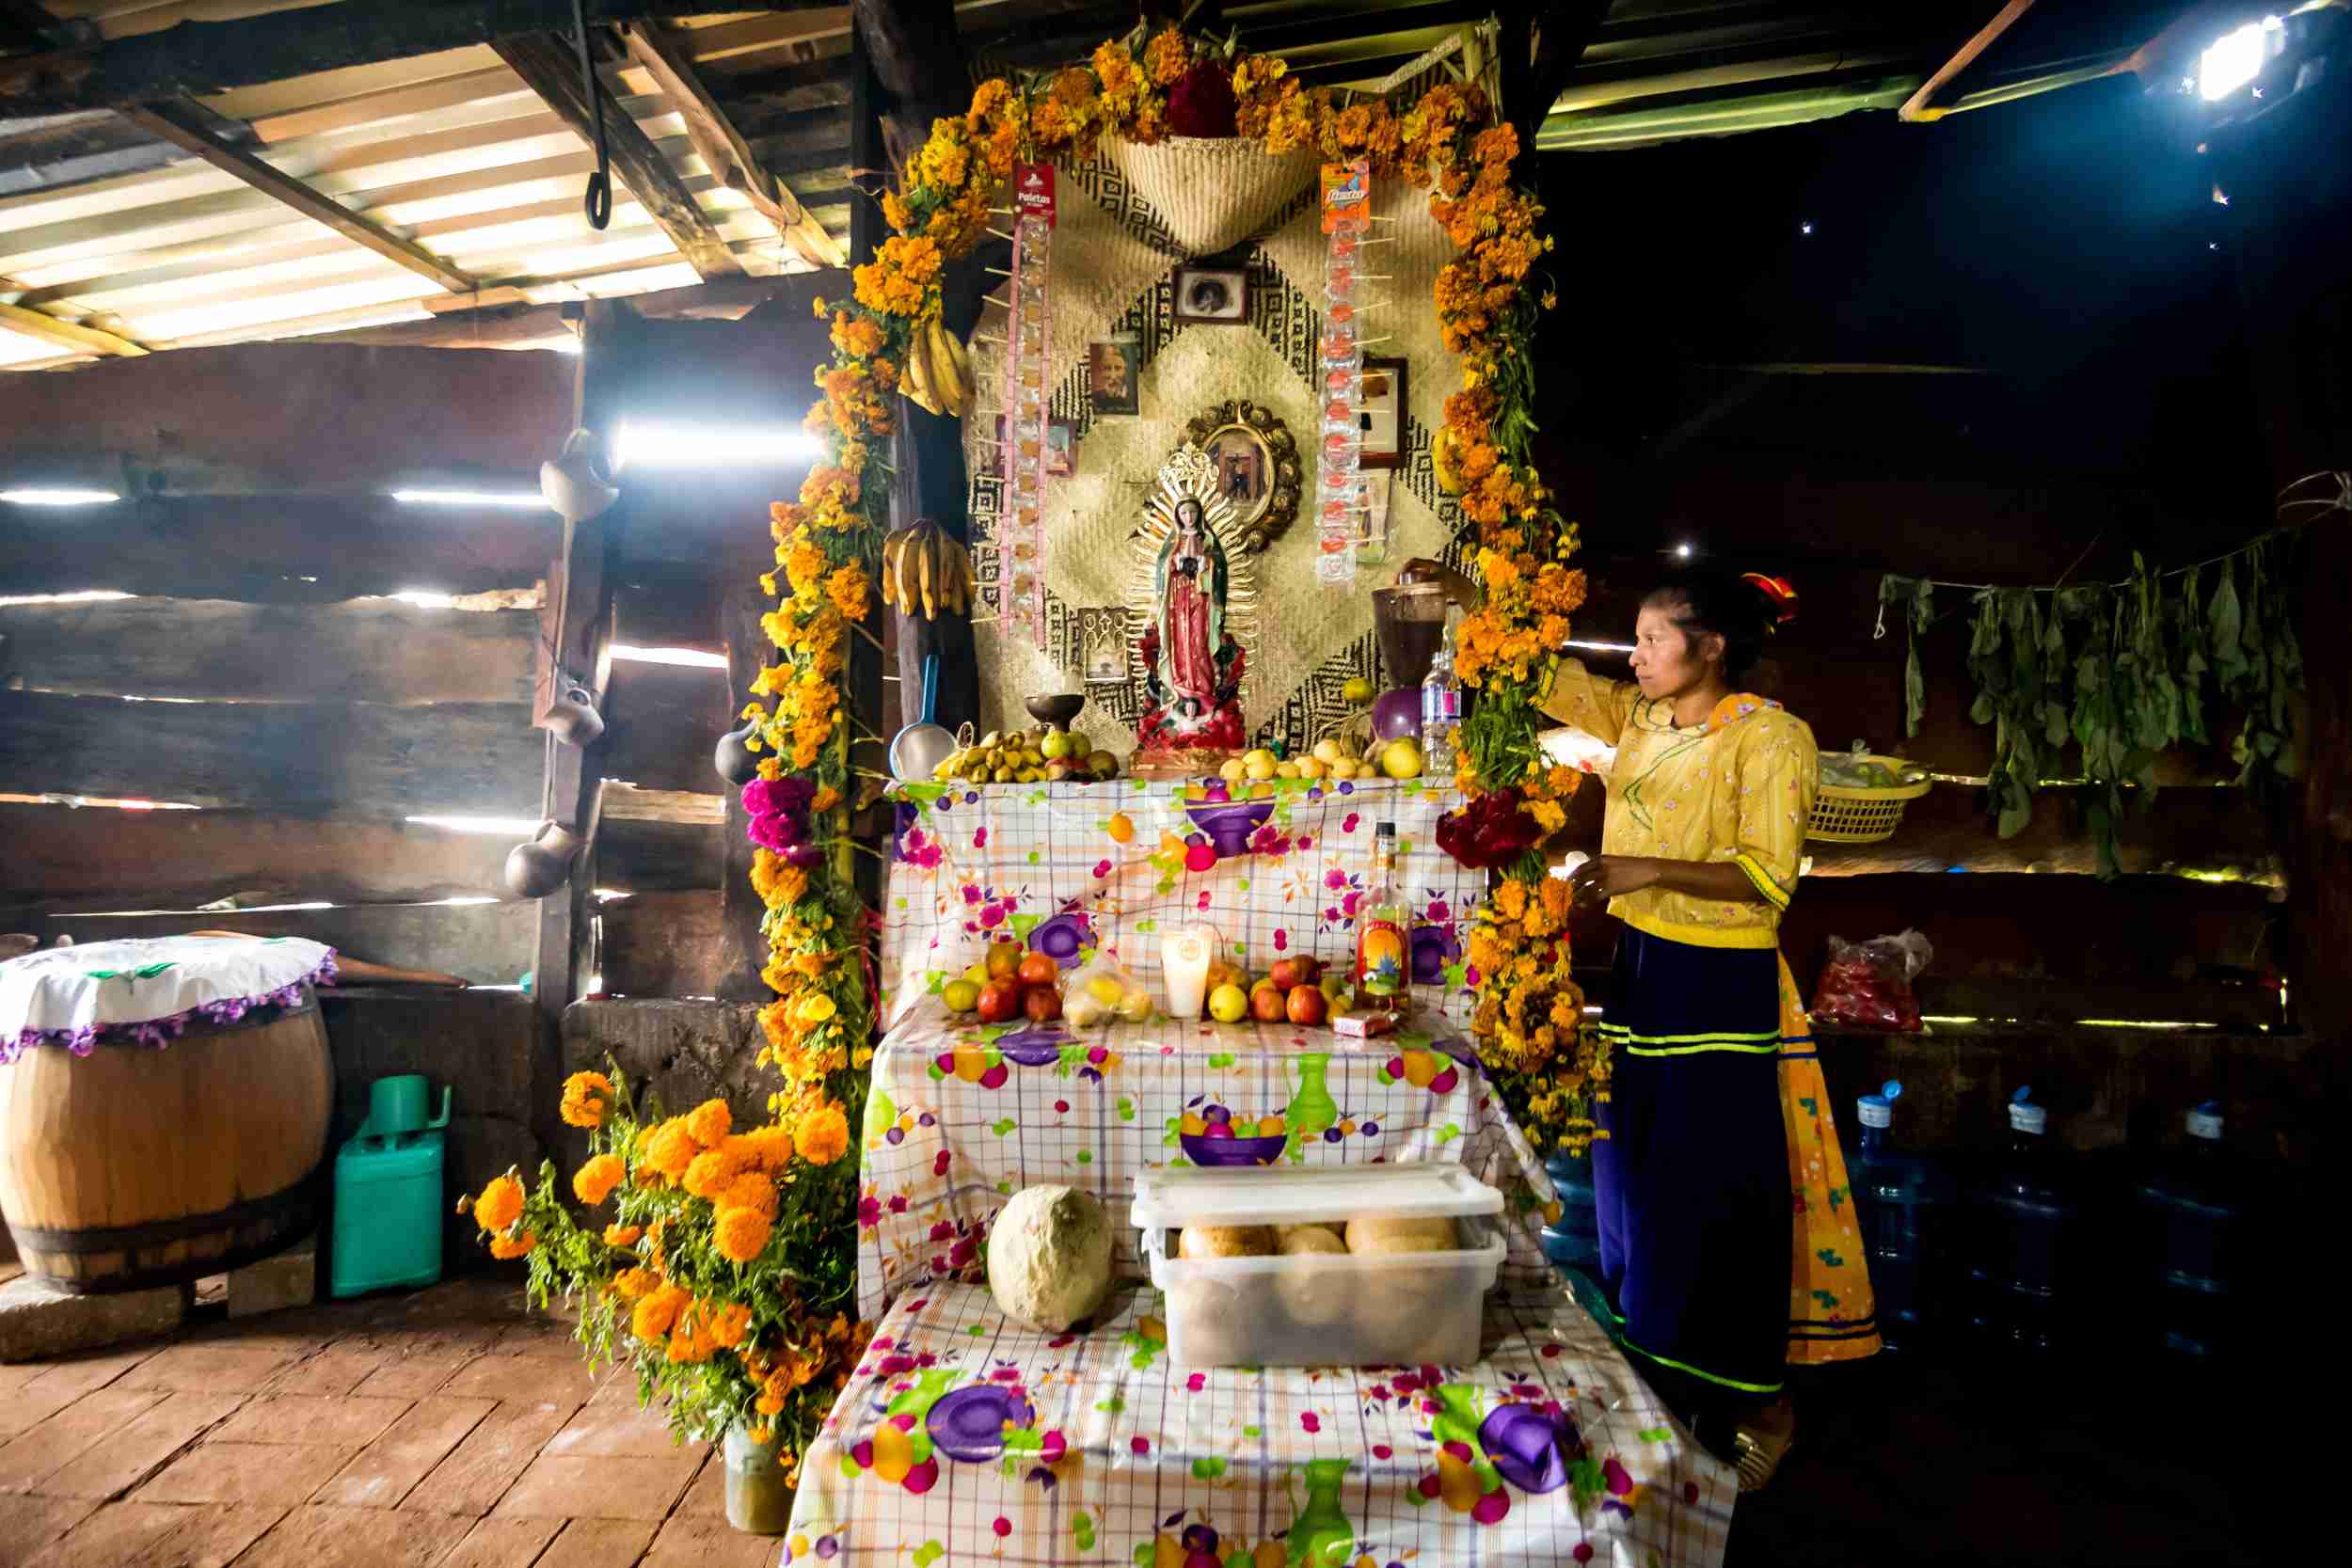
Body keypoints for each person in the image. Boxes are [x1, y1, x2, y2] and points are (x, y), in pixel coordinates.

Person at [1396, 558, 1878, 1491]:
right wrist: (1470, 599)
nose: (1640, 652)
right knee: (1641, 1186)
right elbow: (1545, 670)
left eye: (1656, 638)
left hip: (1720, 981)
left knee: (1713, 1193)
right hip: (1646, 972)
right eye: (1639, 638)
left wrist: (1647, 867)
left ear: (1713, 646)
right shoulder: (1641, 717)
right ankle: (1664, 1382)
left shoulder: (1771, 739)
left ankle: (1759, 1401)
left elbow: (1768, 876)